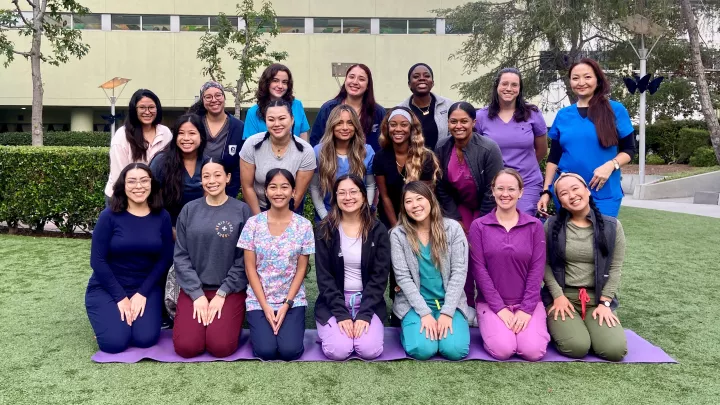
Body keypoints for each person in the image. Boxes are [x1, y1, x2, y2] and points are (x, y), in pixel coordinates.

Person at [87, 163, 173, 353]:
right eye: (132, 181)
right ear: (123, 186)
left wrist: (142, 293)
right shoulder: (109, 216)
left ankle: (123, 319)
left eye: (144, 180)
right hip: (108, 287)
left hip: (146, 288)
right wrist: (120, 298)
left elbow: (166, 257)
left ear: (151, 184)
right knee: (114, 343)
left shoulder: (162, 216)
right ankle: (107, 318)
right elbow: (97, 261)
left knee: (145, 339)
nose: (138, 186)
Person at [542, 173, 627, 361]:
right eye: (564, 193)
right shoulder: (552, 225)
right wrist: (558, 296)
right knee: (577, 347)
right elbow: (544, 264)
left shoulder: (612, 226)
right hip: (563, 298)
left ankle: (589, 325)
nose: (572, 195)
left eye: (575, 188)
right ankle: (562, 326)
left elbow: (615, 268)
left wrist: (605, 303)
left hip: (597, 299)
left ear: (587, 190)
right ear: (561, 202)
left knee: (614, 350)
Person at [172, 158, 252, 358]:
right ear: (201, 180)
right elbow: (180, 256)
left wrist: (223, 292)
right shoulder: (189, 210)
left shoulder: (242, 211)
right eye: (206, 176)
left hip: (229, 290)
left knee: (221, 347)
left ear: (228, 178)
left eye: (217, 175)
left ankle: (227, 322)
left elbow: (244, 259)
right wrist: (196, 294)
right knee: (186, 347)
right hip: (194, 290)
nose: (212, 180)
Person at [468, 169, 549, 361]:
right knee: (503, 350)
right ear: (493, 191)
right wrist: (500, 309)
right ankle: (496, 327)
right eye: (500, 189)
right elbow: (479, 271)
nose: (505, 194)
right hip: (492, 304)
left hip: (527, 302)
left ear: (520, 192)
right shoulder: (479, 226)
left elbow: (537, 270)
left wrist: (526, 310)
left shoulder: (535, 226)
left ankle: (528, 327)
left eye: (511, 189)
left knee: (533, 351)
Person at [538, 59, 635, 218]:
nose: (581, 82)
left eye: (587, 77)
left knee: (601, 240)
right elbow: (554, 158)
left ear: (597, 79)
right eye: (575, 78)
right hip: (567, 194)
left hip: (604, 192)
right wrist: (547, 191)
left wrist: (611, 165)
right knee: (569, 241)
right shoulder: (563, 115)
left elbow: (629, 150)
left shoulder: (616, 110)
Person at [390, 181, 473, 360]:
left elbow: (459, 272)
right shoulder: (398, 235)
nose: (415, 205)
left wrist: (447, 312)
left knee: (454, 350)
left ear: (431, 200)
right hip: (415, 305)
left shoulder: (453, 229)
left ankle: (458, 321)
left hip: (449, 303)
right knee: (422, 349)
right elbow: (403, 278)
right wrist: (425, 313)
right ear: (403, 207)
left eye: (419, 199)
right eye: (408, 201)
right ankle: (409, 328)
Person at [238, 169, 315, 361]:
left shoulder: (304, 225)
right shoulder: (253, 224)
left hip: (291, 300)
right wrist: (264, 306)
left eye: (284, 187)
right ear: (265, 191)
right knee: (266, 351)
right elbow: (250, 269)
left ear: (294, 191)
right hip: (259, 299)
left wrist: (287, 304)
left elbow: (301, 269)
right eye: (273, 187)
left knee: (290, 351)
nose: (278, 192)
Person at [314, 175, 391, 360]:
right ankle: (330, 330)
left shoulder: (377, 230)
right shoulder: (325, 230)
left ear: (364, 196)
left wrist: (364, 314)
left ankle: (360, 327)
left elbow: (380, 277)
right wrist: (341, 315)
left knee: (368, 350)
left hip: (368, 300)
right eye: (342, 193)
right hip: (334, 302)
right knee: (338, 351)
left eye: (353, 192)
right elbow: (324, 279)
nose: (348, 197)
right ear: (335, 198)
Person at [435, 101, 504, 306]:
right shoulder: (442, 147)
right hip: (457, 208)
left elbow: (494, 188)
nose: (459, 126)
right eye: (453, 121)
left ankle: (488, 302)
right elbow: (441, 186)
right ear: (447, 123)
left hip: (485, 207)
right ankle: (464, 303)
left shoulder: (488, 148)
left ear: (474, 122)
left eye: (464, 121)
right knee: (458, 255)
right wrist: (454, 218)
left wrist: (479, 222)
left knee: (481, 254)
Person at [475, 68, 548, 215]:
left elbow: (541, 150)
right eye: (504, 84)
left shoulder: (532, 113)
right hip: (494, 185)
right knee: (495, 227)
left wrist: (523, 167)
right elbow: (476, 153)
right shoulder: (482, 116)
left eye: (514, 85)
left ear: (520, 89)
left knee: (521, 221)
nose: (509, 88)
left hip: (527, 182)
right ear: (497, 86)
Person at [240, 100, 316, 215]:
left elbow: (298, 195)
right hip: (257, 209)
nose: (276, 124)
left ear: (292, 119)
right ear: (265, 121)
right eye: (271, 119)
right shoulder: (251, 144)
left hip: (290, 210)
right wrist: (259, 220)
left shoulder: (306, 151)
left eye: (282, 118)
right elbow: (247, 187)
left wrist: (280, 220)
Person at [374, 107, 441, 230]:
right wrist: (396, 228)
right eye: (393, 125)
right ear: (387, 128)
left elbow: (425, 198)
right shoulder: (380, 157)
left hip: (420, 217)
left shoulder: (425, 157)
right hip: (390, 219)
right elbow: (385, 197)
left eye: (404, 125)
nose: (398, 129)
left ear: (411, 128)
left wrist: (415, 227)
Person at [104, 89, 171, 203]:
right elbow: (119, 175)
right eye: (142, 108)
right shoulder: (122, 136)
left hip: (154, 196)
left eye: (151, 107)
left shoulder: (165, 133)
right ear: (134, 110)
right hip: (122, 196)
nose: (147, 112)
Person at [310, 105, 375, 221]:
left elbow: (370, 185)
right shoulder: (318, 151)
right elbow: (314, 187)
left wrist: (366, 211)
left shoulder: (367, 151)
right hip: (327, 217)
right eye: (339, 123)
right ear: (332, 125)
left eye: (350, 123)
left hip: (359, 217)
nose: (345, 127)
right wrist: (324, 216)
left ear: (356, 126)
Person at [310, 64, 386, 151]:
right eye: (351, 77)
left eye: (361, 79)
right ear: (345, 80)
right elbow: (315, 140)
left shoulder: (378, 112)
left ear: (368, 85)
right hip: (331, 163)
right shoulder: (328, 108)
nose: (355, 82)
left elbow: (384, 143)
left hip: (368, 163)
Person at [188, 81, 245, 198]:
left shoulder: (238, 127)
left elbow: (239, 166)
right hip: (195, 189)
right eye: (208, 97)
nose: (214, 100)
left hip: (226, 191)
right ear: (202, 100)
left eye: (218, 95)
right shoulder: (195, 123)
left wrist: (230, 193)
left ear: (224, 97)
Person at [150, 114, 207, 227]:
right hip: (167, 227)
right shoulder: (161, 161)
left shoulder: (208, 163)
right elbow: (150, 197)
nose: (186, 138)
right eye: (181, 133)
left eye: (192, 133)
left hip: (201, 228)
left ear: (201, 136)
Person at [242, 64, 310, 141]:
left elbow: (303, 137)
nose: (280, 86)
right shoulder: (253, 112)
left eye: (284, 82)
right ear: (266, 82)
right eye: (275, 81)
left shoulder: (297, 105)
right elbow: (250, 146)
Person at [397, 63, 454, 150]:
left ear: (433, 83)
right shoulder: (400, 110)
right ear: (409, 84)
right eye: (416, 77)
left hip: (443, 161)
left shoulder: (449, 105)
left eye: (427, 76)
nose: (422, 78)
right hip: (411, 161)